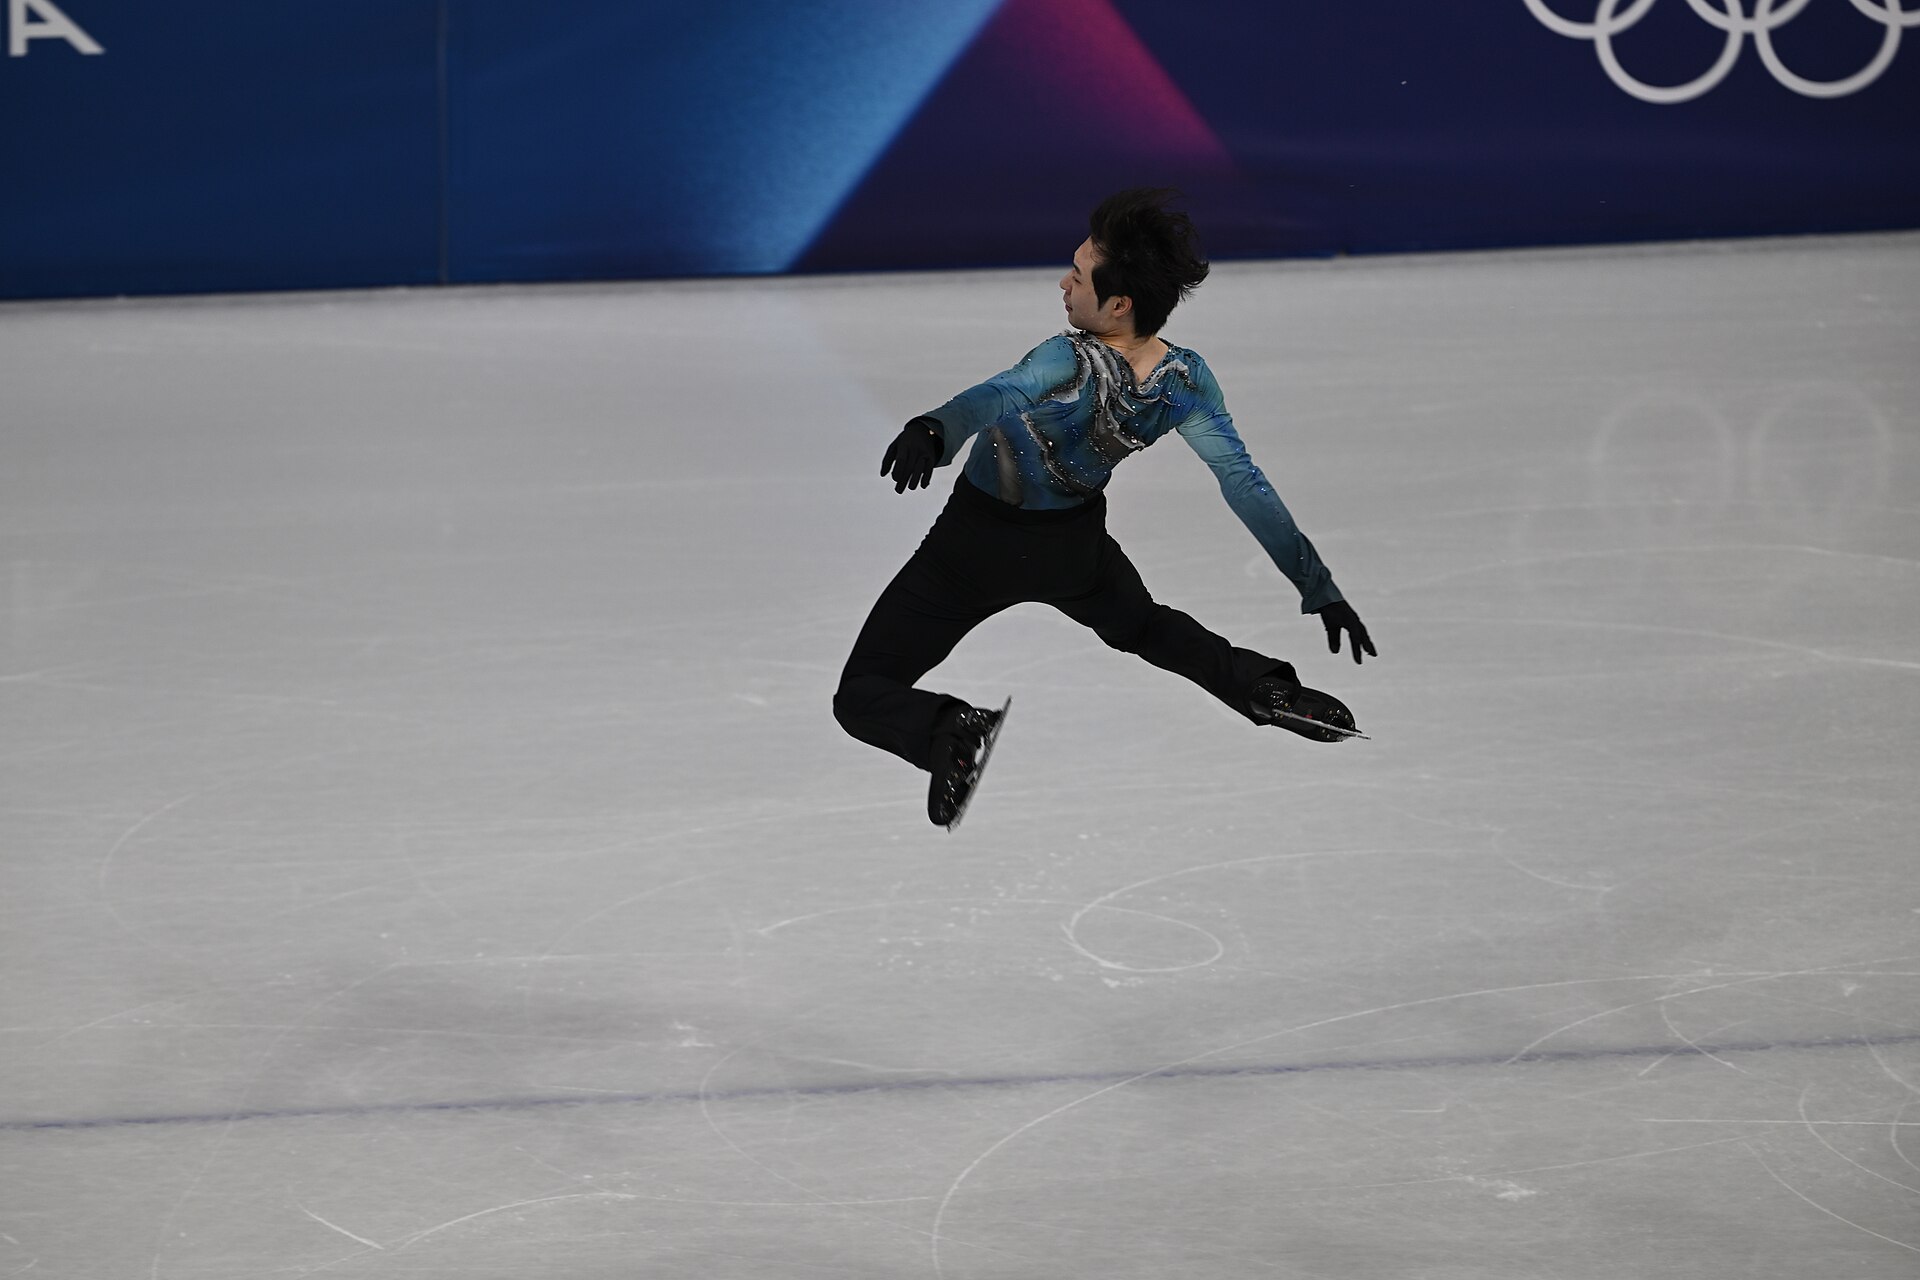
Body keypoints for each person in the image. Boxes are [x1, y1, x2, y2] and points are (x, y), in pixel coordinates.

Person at [833, 188, 1376, 828]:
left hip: (973, 550)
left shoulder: (1067, 357)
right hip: (1074, 555)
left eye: (1079, 274)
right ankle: (1261, 689)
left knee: (862, 692)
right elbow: (1243, 484)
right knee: (1146, 628)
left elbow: (1000, 394)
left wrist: (933, 430)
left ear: (1119, 304)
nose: (1064, 284)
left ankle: (948, 731)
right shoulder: (1184, 382)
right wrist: (1318, 587)